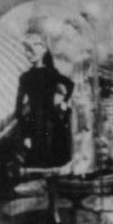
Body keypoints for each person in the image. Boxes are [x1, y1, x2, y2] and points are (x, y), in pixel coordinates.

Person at [14, 32, 75, 170]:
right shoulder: (27, 77)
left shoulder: (45, 74)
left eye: (30, 50)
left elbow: (70, 84)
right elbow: (18, 111)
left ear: (41, 51)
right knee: (46, 163)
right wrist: (25, 134)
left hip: (45, 124)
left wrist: (64, 103)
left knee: (50, 162)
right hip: (43, 123)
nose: (27, 54)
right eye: (26, 50)